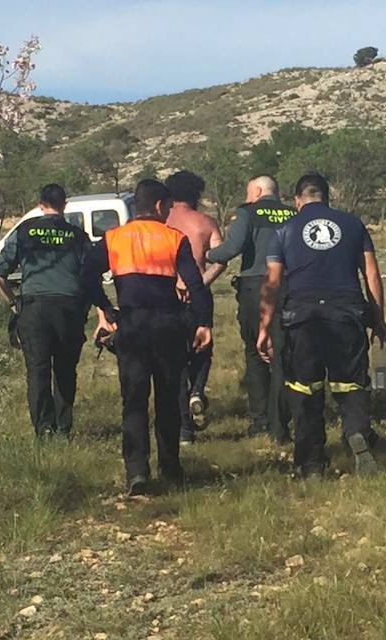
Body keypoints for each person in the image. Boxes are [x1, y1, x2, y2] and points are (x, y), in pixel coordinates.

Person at [82, 179, 213, 495]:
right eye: (168, 207)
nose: (169, 213)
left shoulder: (113, 238)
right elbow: (196, 284)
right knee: (168, 399)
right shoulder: (174, 238)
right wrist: (202, 323)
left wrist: (106, 308)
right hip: (168, 326)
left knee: (134, 401)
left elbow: (85, 276)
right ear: (158, 205)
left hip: (132, 326)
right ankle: (170, 467)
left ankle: (137, 472)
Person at [257, 173, 386, 478]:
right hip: (347, 313)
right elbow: (371, 274)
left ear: (297, 200)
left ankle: (311, 462)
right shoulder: (353, 225)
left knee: (304, 389)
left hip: (302, 317)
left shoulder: (284, 229)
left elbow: (272, 281)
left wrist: (264, 326)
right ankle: (356, 431)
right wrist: (378, 319)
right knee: (351, 383)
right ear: (327, 197)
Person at [0, 184, 90, 438]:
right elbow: (90, 277)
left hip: (35, 309)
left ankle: (44, 428)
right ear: (65, 205)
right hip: (68, 309)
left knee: (37, 370)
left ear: (40, 205)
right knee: (66, 370)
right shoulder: (77, 235)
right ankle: (63, 428)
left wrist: (13, 303)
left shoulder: (24, 230)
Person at [205, 175, 295, 442]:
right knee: (282, 354)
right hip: (289, 287)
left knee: (256, 353)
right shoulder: (293, 214)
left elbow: (231, 249)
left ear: (257, 191)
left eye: (247, 192)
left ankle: (260, 420)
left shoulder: (248, 213)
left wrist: (206, 254)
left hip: (255, 288)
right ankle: (281, 423)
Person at [165, 171, 226, 443]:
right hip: (199, 296)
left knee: (175, 362)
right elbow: (221, 259)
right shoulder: (205, 222)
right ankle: (198, 390)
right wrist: (199, 284)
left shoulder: (162, 222)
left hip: (169, 298)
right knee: (203, 349)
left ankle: (184, 431)